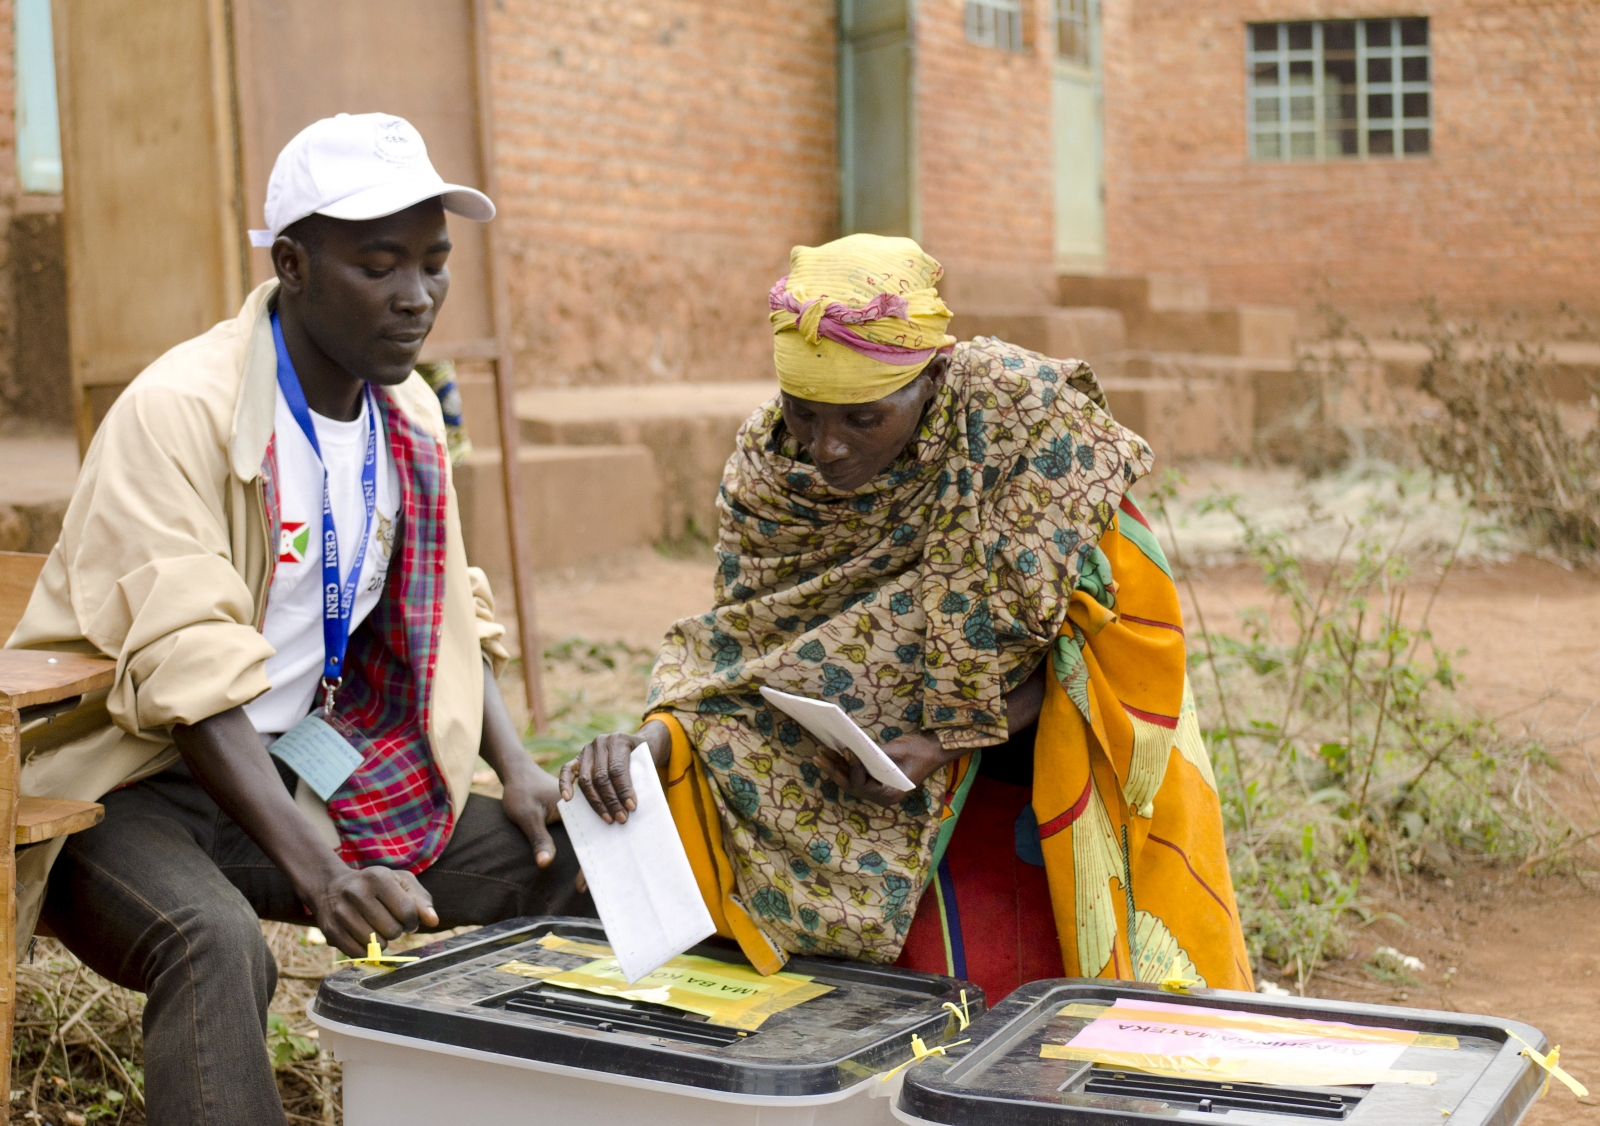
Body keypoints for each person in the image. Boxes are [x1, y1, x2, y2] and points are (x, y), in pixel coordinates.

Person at [7, 113, 588, 1125]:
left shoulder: (405, 419)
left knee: (565, 862)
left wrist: (519, 765)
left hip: (302, 760)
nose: (416, 297)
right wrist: (324, 873)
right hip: (128, 784)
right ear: (294, 264)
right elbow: (190, 675)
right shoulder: (175, 414)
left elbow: (444, 601)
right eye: (378, 264)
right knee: (213, 941)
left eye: (434, 264)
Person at [562, 234, 1253, 1000]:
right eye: (804, 412)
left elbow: (1119, 645)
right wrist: (651, 742)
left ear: (933, 379)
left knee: (1035, 1007)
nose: (827, 447)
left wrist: (948, 740)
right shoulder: (773, 478)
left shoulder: (1029, 437)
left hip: (1027, 771)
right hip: (853, 780)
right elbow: (747, 663)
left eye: (864, 419)